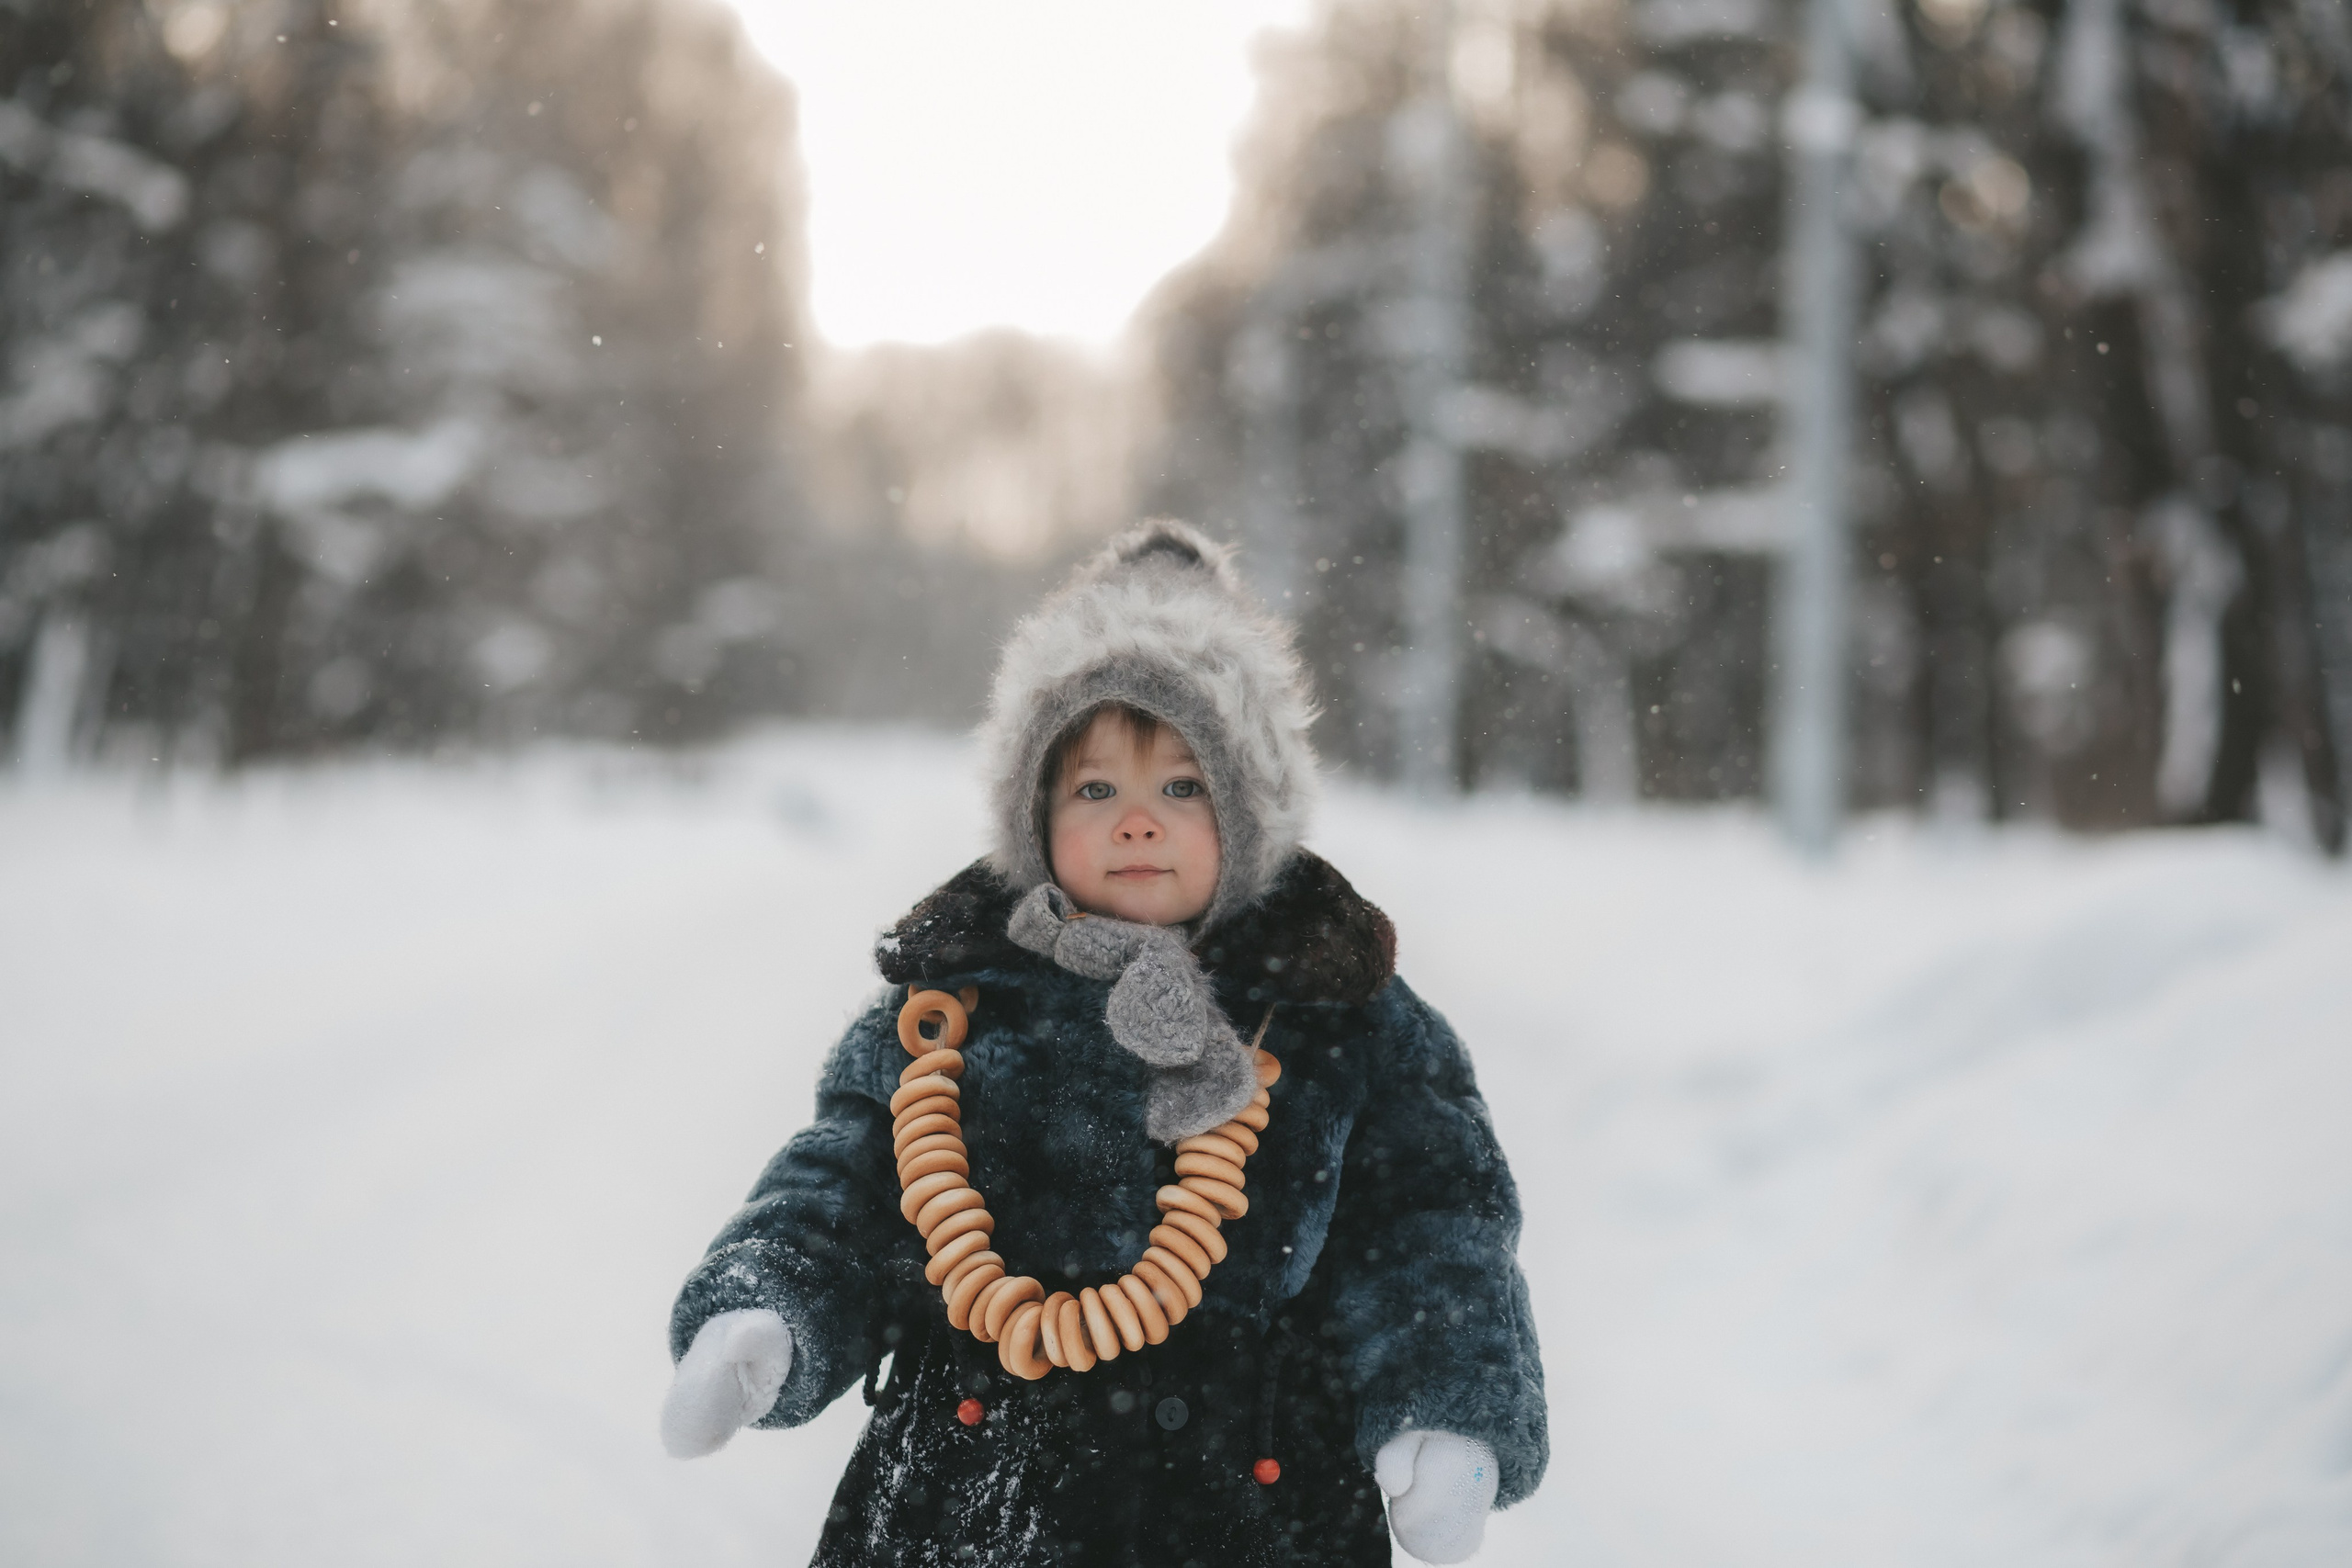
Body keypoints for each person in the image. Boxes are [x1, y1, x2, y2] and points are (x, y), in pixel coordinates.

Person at [661, 522, 1546, 1565]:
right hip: (972, 1495)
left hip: (1258, 1503)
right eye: (1095, 788)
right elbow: (845, 1184)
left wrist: (1447, 1407)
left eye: (1182, 786)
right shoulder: (955, 1004)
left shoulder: (1338, 1014)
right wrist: (767, 1305)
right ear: (1032, 814)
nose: (1136, 822)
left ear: (1253, 810)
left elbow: (1430, 1231)